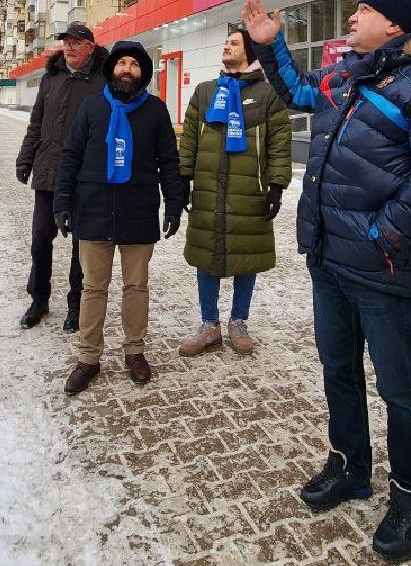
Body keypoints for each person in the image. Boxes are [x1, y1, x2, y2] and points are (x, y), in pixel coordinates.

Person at [243, 0, 411, 565]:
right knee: (338, 368)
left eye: (364, 10)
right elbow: (298, 93)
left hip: (382, 264)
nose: (351, 16)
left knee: (399, 387)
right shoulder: (347, 75)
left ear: (394, 25)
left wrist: (386, 232)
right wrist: (270, 48)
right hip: (330, 256)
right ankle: (350, 466)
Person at [54, 39, 186, 396]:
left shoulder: (156, 110)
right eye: (121, 63)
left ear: (143, 72)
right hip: (93, 208)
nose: (127, 69)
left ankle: (134, 351)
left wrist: (174, 203)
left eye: (135, 64)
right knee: (93, 287)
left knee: (136, 286)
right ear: (111, 68)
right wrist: (62, 203)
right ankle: (88, 358)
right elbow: (70, 155)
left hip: (138, 211)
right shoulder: (91, 107)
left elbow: (169, 162)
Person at [177, 28, 293, 357]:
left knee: (246, 255)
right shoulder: (204, 93)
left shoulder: (268, 96)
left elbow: (280, 143)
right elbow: (189, 142)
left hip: (249, 191)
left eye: (235, 43)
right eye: (226, 42)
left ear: (250, 53)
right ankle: (209, 324)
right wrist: (184, 178)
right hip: (209, 188)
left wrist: (276, 185)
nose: (227, 45)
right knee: (206, 255)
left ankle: (239, 321)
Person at [15, 23, 108, 331]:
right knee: (41, 240)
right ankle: (39, 299)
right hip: (48, 173)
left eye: (77, 42)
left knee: (81, 246)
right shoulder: (50, 78)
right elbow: (36, 123)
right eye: (67, 42)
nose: (70, 47)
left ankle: (76, 304)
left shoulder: (102, 82)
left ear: (90, 48)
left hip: (84, 177)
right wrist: (25, 158)